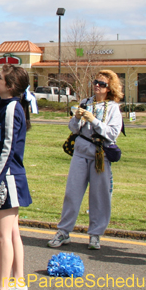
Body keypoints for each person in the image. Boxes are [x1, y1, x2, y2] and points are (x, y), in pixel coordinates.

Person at [48, 70, 123, 251]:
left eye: (102, 84)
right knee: (72, 193)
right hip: (80, 153)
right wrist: (77, 117)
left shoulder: (112, 108)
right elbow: (73, 129)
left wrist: (95, 121)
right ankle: (64, 231)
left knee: (99, 196)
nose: (97, 85)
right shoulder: (85, 103)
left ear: (109, 88)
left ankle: (95, 235)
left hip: (100, 155)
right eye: (96, 82)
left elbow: (113, 133)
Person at [0, 64, 32, 290]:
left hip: (8, 178)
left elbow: (8, 148)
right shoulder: (5, 106)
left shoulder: (12, 108)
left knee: (3, 236)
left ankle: (2, 287)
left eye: (0, 78)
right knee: (12, 234)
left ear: (10, 86)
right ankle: (18, 283)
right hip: (7, 176)